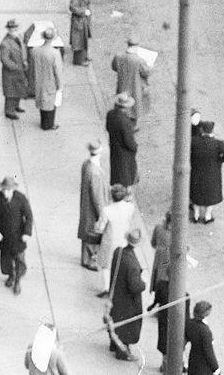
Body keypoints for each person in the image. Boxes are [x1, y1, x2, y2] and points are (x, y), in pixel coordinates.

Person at [0, 175, 33, 295]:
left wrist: (27, 233)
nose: (6, 192)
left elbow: (29, 216)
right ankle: (10, 275)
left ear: (13, 189)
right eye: (4, 190)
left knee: (19, 259)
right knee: (6, 258)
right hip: (4, 236)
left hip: (18, 236)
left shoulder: (21, 198)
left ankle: (17, 280)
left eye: (9, 190)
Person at [106, 227, 145, 362]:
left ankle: (113, 344)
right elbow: (135, 286)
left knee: (116, 319)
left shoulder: (119, 251)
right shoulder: (132, 264)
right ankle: (123, 351)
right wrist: (143, 284)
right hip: (128, 301)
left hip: (116, 294)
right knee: (127, 326)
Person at [96, 184, 140, 296]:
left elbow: (100, 228)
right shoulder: (130, 207)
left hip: (110, 240)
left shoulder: (107, 210)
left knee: (106, 264)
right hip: (123, 237)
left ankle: (106, 287)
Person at [189, 119, 224, 224]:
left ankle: (196, 215)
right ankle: (207, 216)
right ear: (211, 131)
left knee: (196, 192)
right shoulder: (218, 144)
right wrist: (219, 161)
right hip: (212, 173)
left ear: (202, 130)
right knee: (210, 194)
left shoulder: (194, 141)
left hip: (197, 171)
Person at [78, 139, 109, 271]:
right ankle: (91, 260)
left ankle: (85, 258)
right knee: (94, 235)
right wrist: (102, 214)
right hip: (93, 209)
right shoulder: (95, 172)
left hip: (86, 206)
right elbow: (98, 197)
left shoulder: (86, 165)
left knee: (87, 233)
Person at [111, 37, 150, 121]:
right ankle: (132, 122)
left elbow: (114, 67)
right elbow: (145, 73)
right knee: (133, 104)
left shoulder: (118, 56)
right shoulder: (139, 60)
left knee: (121, 100)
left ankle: (120, 117)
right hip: (134, 86)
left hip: (122, 84)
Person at [33, 25, 63, 130]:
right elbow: (58, 71)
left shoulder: (36, 51)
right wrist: (60, 85)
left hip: (39, 80)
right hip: (50, 81)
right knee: (50, 103)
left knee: (42, 101)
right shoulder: (55, 53)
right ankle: (48, 124)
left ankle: (43, 122)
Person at [106, 93, 139, 188]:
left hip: (114, 148)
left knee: (117, 173)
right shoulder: (125, 122)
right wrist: (135, 147)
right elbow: (129, 142)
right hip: (124, 154)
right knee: (125, 176)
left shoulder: (110, 114)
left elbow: (108, 128)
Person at [0, 18, 28, 119]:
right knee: (11, 92)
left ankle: (16, 106)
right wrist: (15, 67)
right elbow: (4, 59)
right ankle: (9, 111)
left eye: (15, 28)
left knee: (18, 89)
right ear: (8, 29)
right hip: (11, 73)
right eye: (12, 28)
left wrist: (24, 61)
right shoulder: (5, 43)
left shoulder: (17, 39)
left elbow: (22, 50)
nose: (14, 30)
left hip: (19, 70)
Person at [186, 300, 221, 375]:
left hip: (193, 361)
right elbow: (209, 352)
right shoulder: (205, 331)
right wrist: (216, 368)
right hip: (203, 367)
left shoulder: (190, 323)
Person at [69, 0, 92, 65]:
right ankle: (79, 60)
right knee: (79, 40)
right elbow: (72, 7)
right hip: (79, 19)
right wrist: (83, 12)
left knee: (84, 37)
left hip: (84, 19)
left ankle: (84, 56)